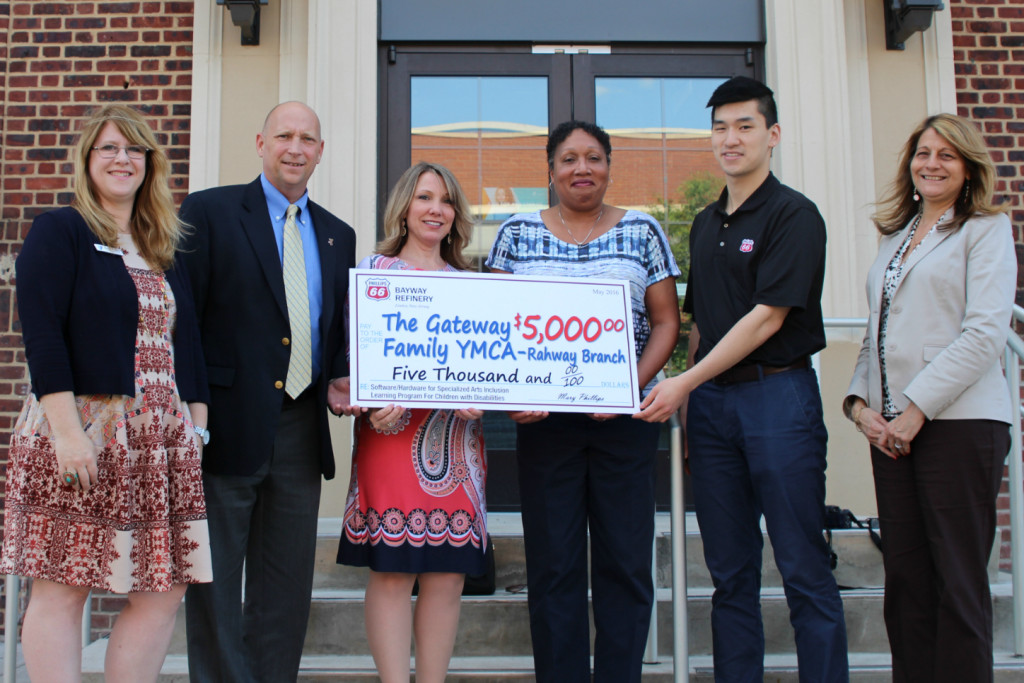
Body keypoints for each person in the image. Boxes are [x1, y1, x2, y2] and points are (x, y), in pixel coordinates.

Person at [635, 76, 849, 681]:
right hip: (713, 412)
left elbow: (764, 321)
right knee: (729, 575)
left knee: (803, 566)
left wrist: (682, 384)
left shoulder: (794, 214)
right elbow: (704, 323)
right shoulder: (705, 222)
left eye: (745, 126)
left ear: (772, 135)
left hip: (778, 399)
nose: (730, 139)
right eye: (720, 127)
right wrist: (689, 399)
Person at [0, 104, 212, 682]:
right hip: (82, 431)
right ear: (88, 161)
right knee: (65, 585)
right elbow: (43, 337)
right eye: (110, 149)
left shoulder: (164, 244)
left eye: (135, 149)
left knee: (163, 590)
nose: (124, 159)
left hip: (159, 442)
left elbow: (186, 345)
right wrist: (70, 437)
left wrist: (196, 428)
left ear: (150, 163)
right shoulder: (61, 230)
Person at [486, 120, 680, 683]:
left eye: (593, 157)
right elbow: (492, 324)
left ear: (609, 166)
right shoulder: (516, 232)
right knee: (554, 567)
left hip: (625, 422)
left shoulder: (642, 231)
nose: (581, 169)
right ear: (550, 171)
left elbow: (667, 324)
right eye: (568, 159)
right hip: (546, 427)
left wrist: (627, 387)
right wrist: (511, 391)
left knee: (624, 563)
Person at [179, 101, 357, 682]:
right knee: (216, 581)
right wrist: (193, 410)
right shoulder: (209, 211)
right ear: (261, 142)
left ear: (321, 152)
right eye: (284, 135)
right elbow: (185, 320)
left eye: (308, 138)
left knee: (285, 587)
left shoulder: (337, 235)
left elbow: (332, 330)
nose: (295, 148)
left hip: (301, 431)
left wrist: (339, 374)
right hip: (225, 426)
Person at [843, 113, 1015, 683]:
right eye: (923, 153)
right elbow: (877, 334)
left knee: (957, 585)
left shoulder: (985, 229)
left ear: (968, 169)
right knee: (908, 584)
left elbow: (986, 333)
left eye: (946, 155)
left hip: (960, 425)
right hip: (892, 434)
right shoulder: (894, 239)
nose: (931, 163)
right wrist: (858, 406)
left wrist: (916, 409)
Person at [337, 161, 486, 682]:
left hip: (458, 447)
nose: (436, 210)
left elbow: (492, 364)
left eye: (446, 201)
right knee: (394, 572)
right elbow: (350, 364)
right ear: (405, 208)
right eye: (425, 198)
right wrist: (368, 401)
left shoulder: (473, 284)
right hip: (391, 442)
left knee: (448, 577)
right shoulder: (371, 275)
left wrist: (483, 396)